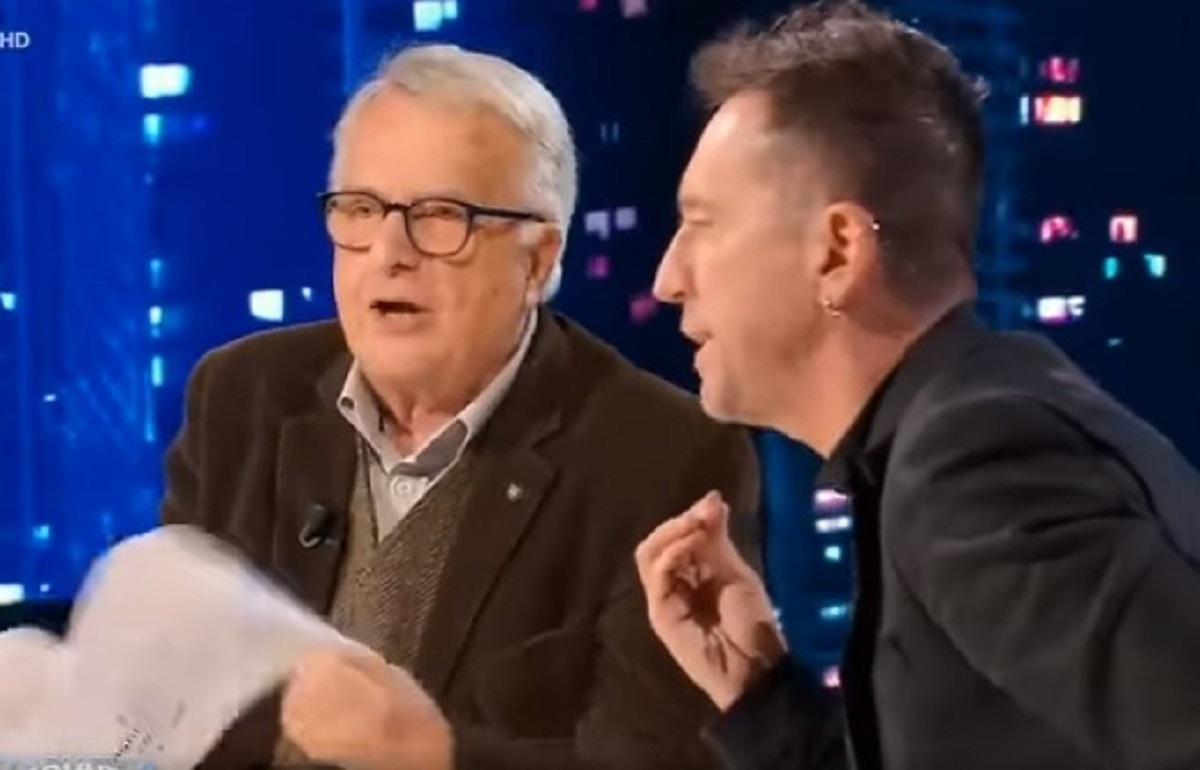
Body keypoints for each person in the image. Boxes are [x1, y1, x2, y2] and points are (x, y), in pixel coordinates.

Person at [161, 43, 762, 769]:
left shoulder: (661, 459)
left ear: (538, 260)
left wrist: (434, 754)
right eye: (361, 210)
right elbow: (174, 696)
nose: (389, 251)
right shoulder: (242, 398)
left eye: (441, 216)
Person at [634, 2, 1200, 769]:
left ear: (838, 252)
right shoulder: (960, 426)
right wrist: (759, 691)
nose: (668, 279)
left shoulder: (971, 462)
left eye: (701, 224)